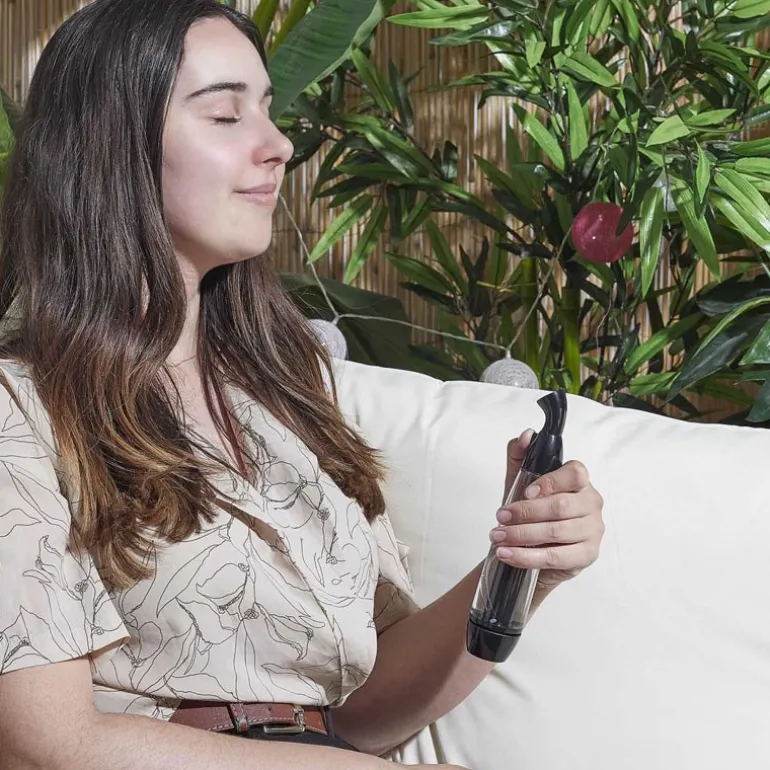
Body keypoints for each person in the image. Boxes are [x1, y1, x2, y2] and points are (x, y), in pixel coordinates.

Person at [0, 1, 605, 768]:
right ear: (109, 148)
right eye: (226, 116)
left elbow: (362, 714)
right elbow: (46, 744)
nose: (279, 145)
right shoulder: (22, 407)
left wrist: (519, 569)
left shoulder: (285, 393)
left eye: (268, 110)